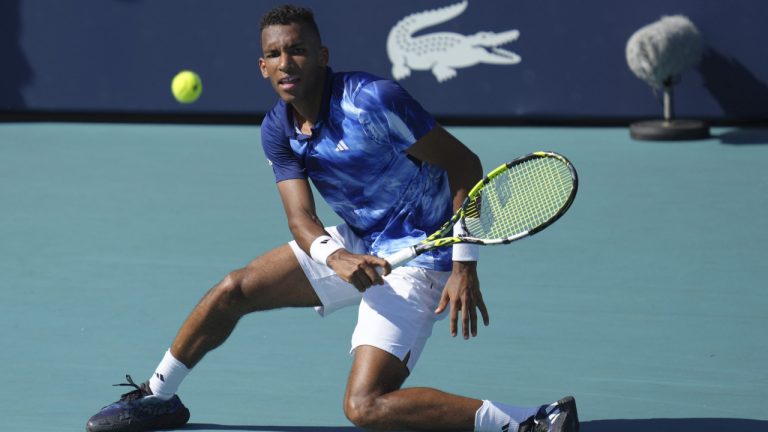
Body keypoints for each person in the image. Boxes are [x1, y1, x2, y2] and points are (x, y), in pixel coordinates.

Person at [85, 5, 579, 432]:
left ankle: (529, 420)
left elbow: (465, 165)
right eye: (275, 55)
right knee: (232, 290)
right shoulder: (277, 129)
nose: (286, 63)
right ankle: (158, 396)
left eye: (298, 50)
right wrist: (337, 256)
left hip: (424, 252)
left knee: (365, 406)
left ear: (322, 56)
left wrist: (464, 262)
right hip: (362, 239)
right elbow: (301, 217)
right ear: (262, 67)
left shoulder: (374, 101)